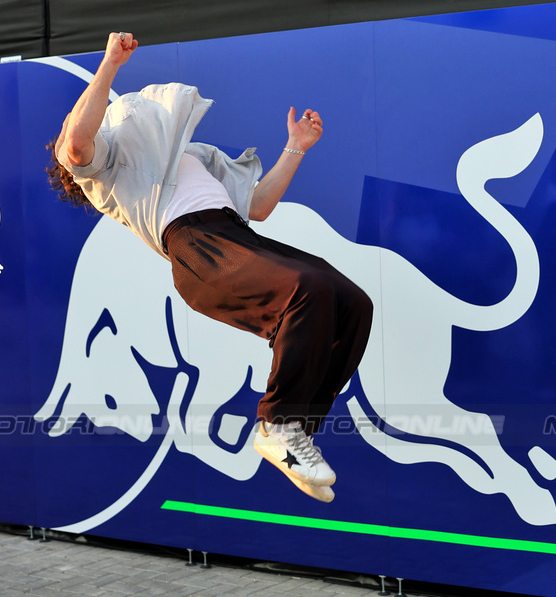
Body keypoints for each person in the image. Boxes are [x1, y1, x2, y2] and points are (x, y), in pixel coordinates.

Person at [47, 32, 373, 503]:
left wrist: (296, 146)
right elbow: (76, 142)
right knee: (306, 289)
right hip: (196, 248)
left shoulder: (195, 156)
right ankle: (277, 423)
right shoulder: (106, 166)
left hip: (235, 237)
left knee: (350, 301)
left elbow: (257, 206)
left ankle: (296, 431)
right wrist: (110, 65)